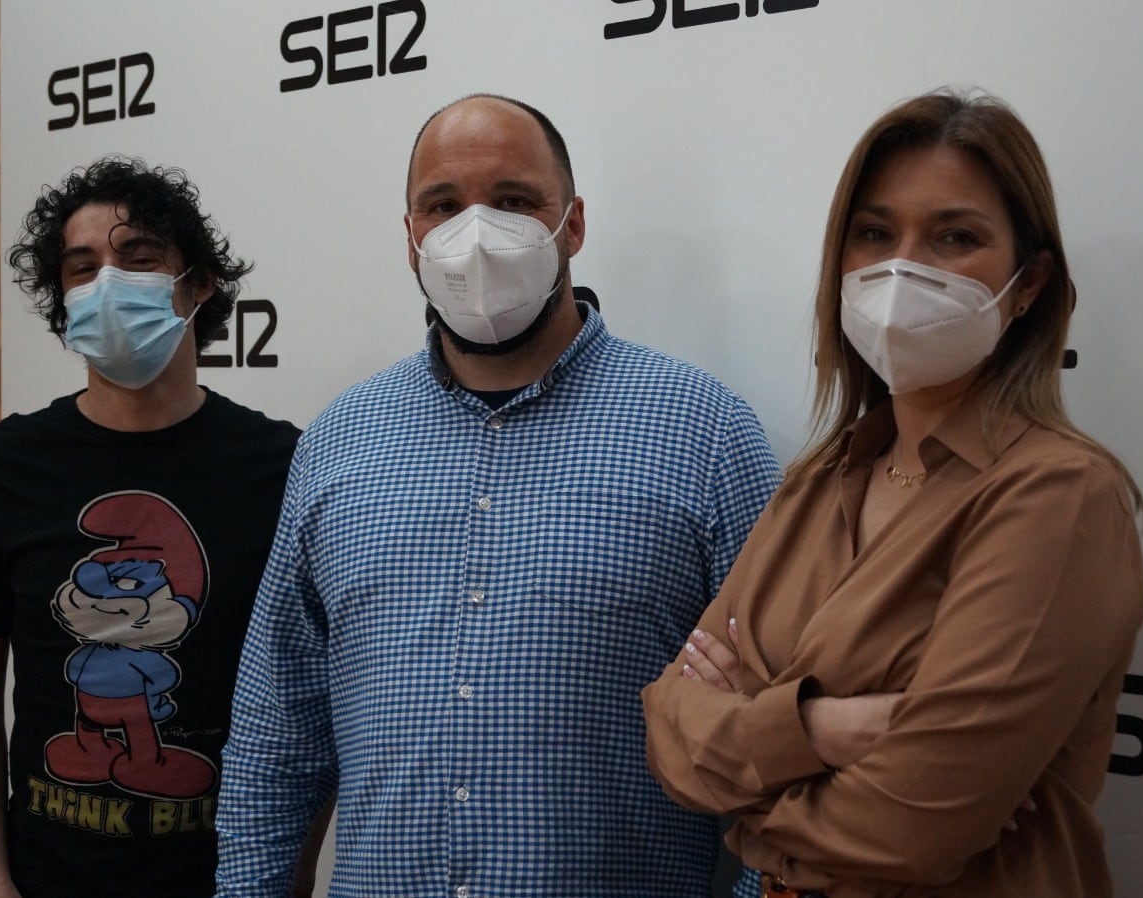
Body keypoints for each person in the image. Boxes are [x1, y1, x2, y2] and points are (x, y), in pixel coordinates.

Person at [213, 94, 781, 898]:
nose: (475, 232)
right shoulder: (337, 441)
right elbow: (279, 733)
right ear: (411, 239)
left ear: (572, 225)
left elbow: (779, 735)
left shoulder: (706, 433)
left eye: (514, 201)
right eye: (443, 206)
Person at [641, 89, 1143, 898]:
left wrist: (747, 789)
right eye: (875, 234)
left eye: (956, 237)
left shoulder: (1058, 496)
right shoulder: (819, 478)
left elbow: (908, 830)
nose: (905, 265)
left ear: (1028, 284)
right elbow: (670, 728)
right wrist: (820, 728)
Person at [0, 157, 312, 898]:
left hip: (228, 882)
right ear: (62, 301)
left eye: (138, 258)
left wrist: (290, 877)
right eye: (82, 269)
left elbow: (312, 705)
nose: (107, 283)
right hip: (47, 878)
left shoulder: (283, 465)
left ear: (198, 284)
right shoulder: (7, 463)